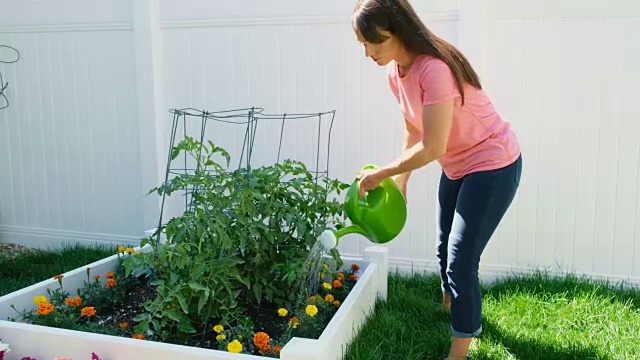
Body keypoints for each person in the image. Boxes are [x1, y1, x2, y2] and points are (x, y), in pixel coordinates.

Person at [351, 0, 522, 359]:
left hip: (493, 162)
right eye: (363, 44)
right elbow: (413, 128)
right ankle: (448, 312)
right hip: (457, 164)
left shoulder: (434, 70)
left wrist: (382, 173)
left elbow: (433, 146)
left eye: (374, 42)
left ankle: (457, 353)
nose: (368, 52)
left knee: (461, 260)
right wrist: (402, 181)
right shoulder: (396, 73)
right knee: (443, 245)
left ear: (397, 30)